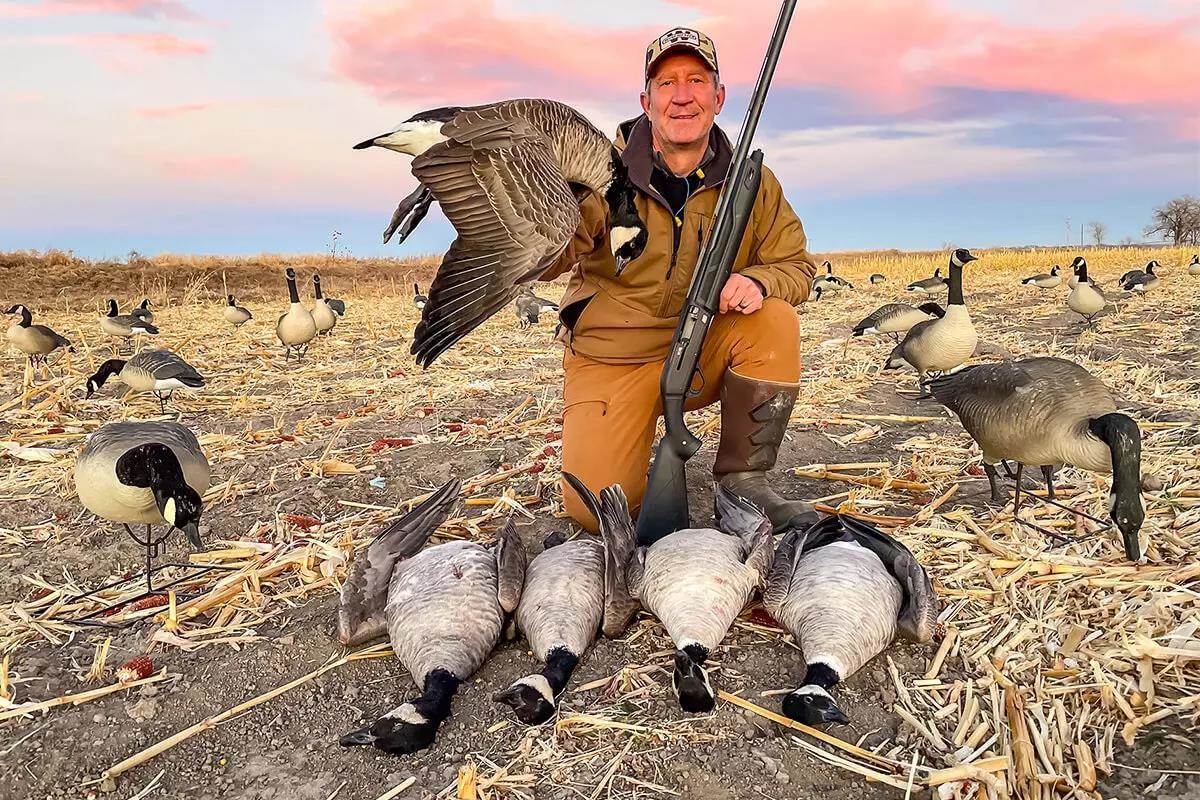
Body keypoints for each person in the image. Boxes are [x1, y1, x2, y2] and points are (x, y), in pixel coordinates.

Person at [542, 27, 819, 534]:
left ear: (719, 97)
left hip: (701, 349)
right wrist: (529, 214)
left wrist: (759, 281)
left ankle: (743, 482)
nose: (683, 96)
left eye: (697, 80)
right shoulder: (598, 172)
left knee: (774, 319)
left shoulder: (752, 183)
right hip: (614, 358)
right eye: (667, 83)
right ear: (646, 102)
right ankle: (637, 451)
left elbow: (796, 267)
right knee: (596, 510)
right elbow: (547, 258)